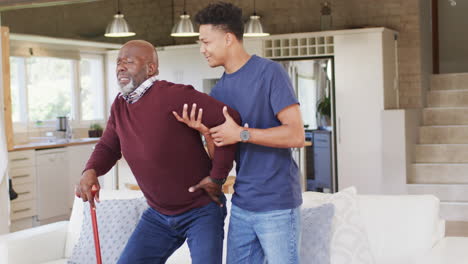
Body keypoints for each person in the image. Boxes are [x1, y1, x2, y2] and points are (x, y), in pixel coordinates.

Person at [76, 39, 241, 264]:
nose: (121, 67)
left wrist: (218, 175)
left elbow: (227, 117)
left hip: (201, 211)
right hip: (158, 215)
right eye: (118, 62)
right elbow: (108, 146)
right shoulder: (120, 105)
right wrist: (91, 170)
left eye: (129, 62)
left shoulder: (174, 96)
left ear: (150, 68)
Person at [176, 2, 305, 264]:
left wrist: (242, 134)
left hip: (278, 204)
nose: (202, 50)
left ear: (227, 38)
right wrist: (207, 134)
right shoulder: (219, 92)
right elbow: (222, 155)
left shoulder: (270, 73)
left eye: (206, 42)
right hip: (243, 204)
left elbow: (296, 135)